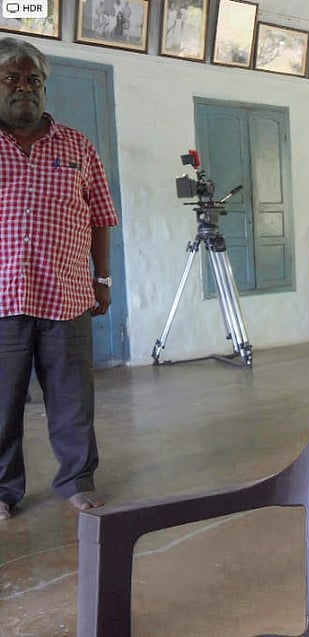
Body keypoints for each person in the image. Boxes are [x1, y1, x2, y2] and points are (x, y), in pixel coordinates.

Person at [0, 38, 118, 521]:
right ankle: (4, 489)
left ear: (45, 88)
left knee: (72, 397)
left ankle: (76, 477)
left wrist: (103, 278)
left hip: (67, 294)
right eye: (12, 78)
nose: (24, 88)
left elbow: (100, 216)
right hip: (3, 298)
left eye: (34, 80)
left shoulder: (77, 145)